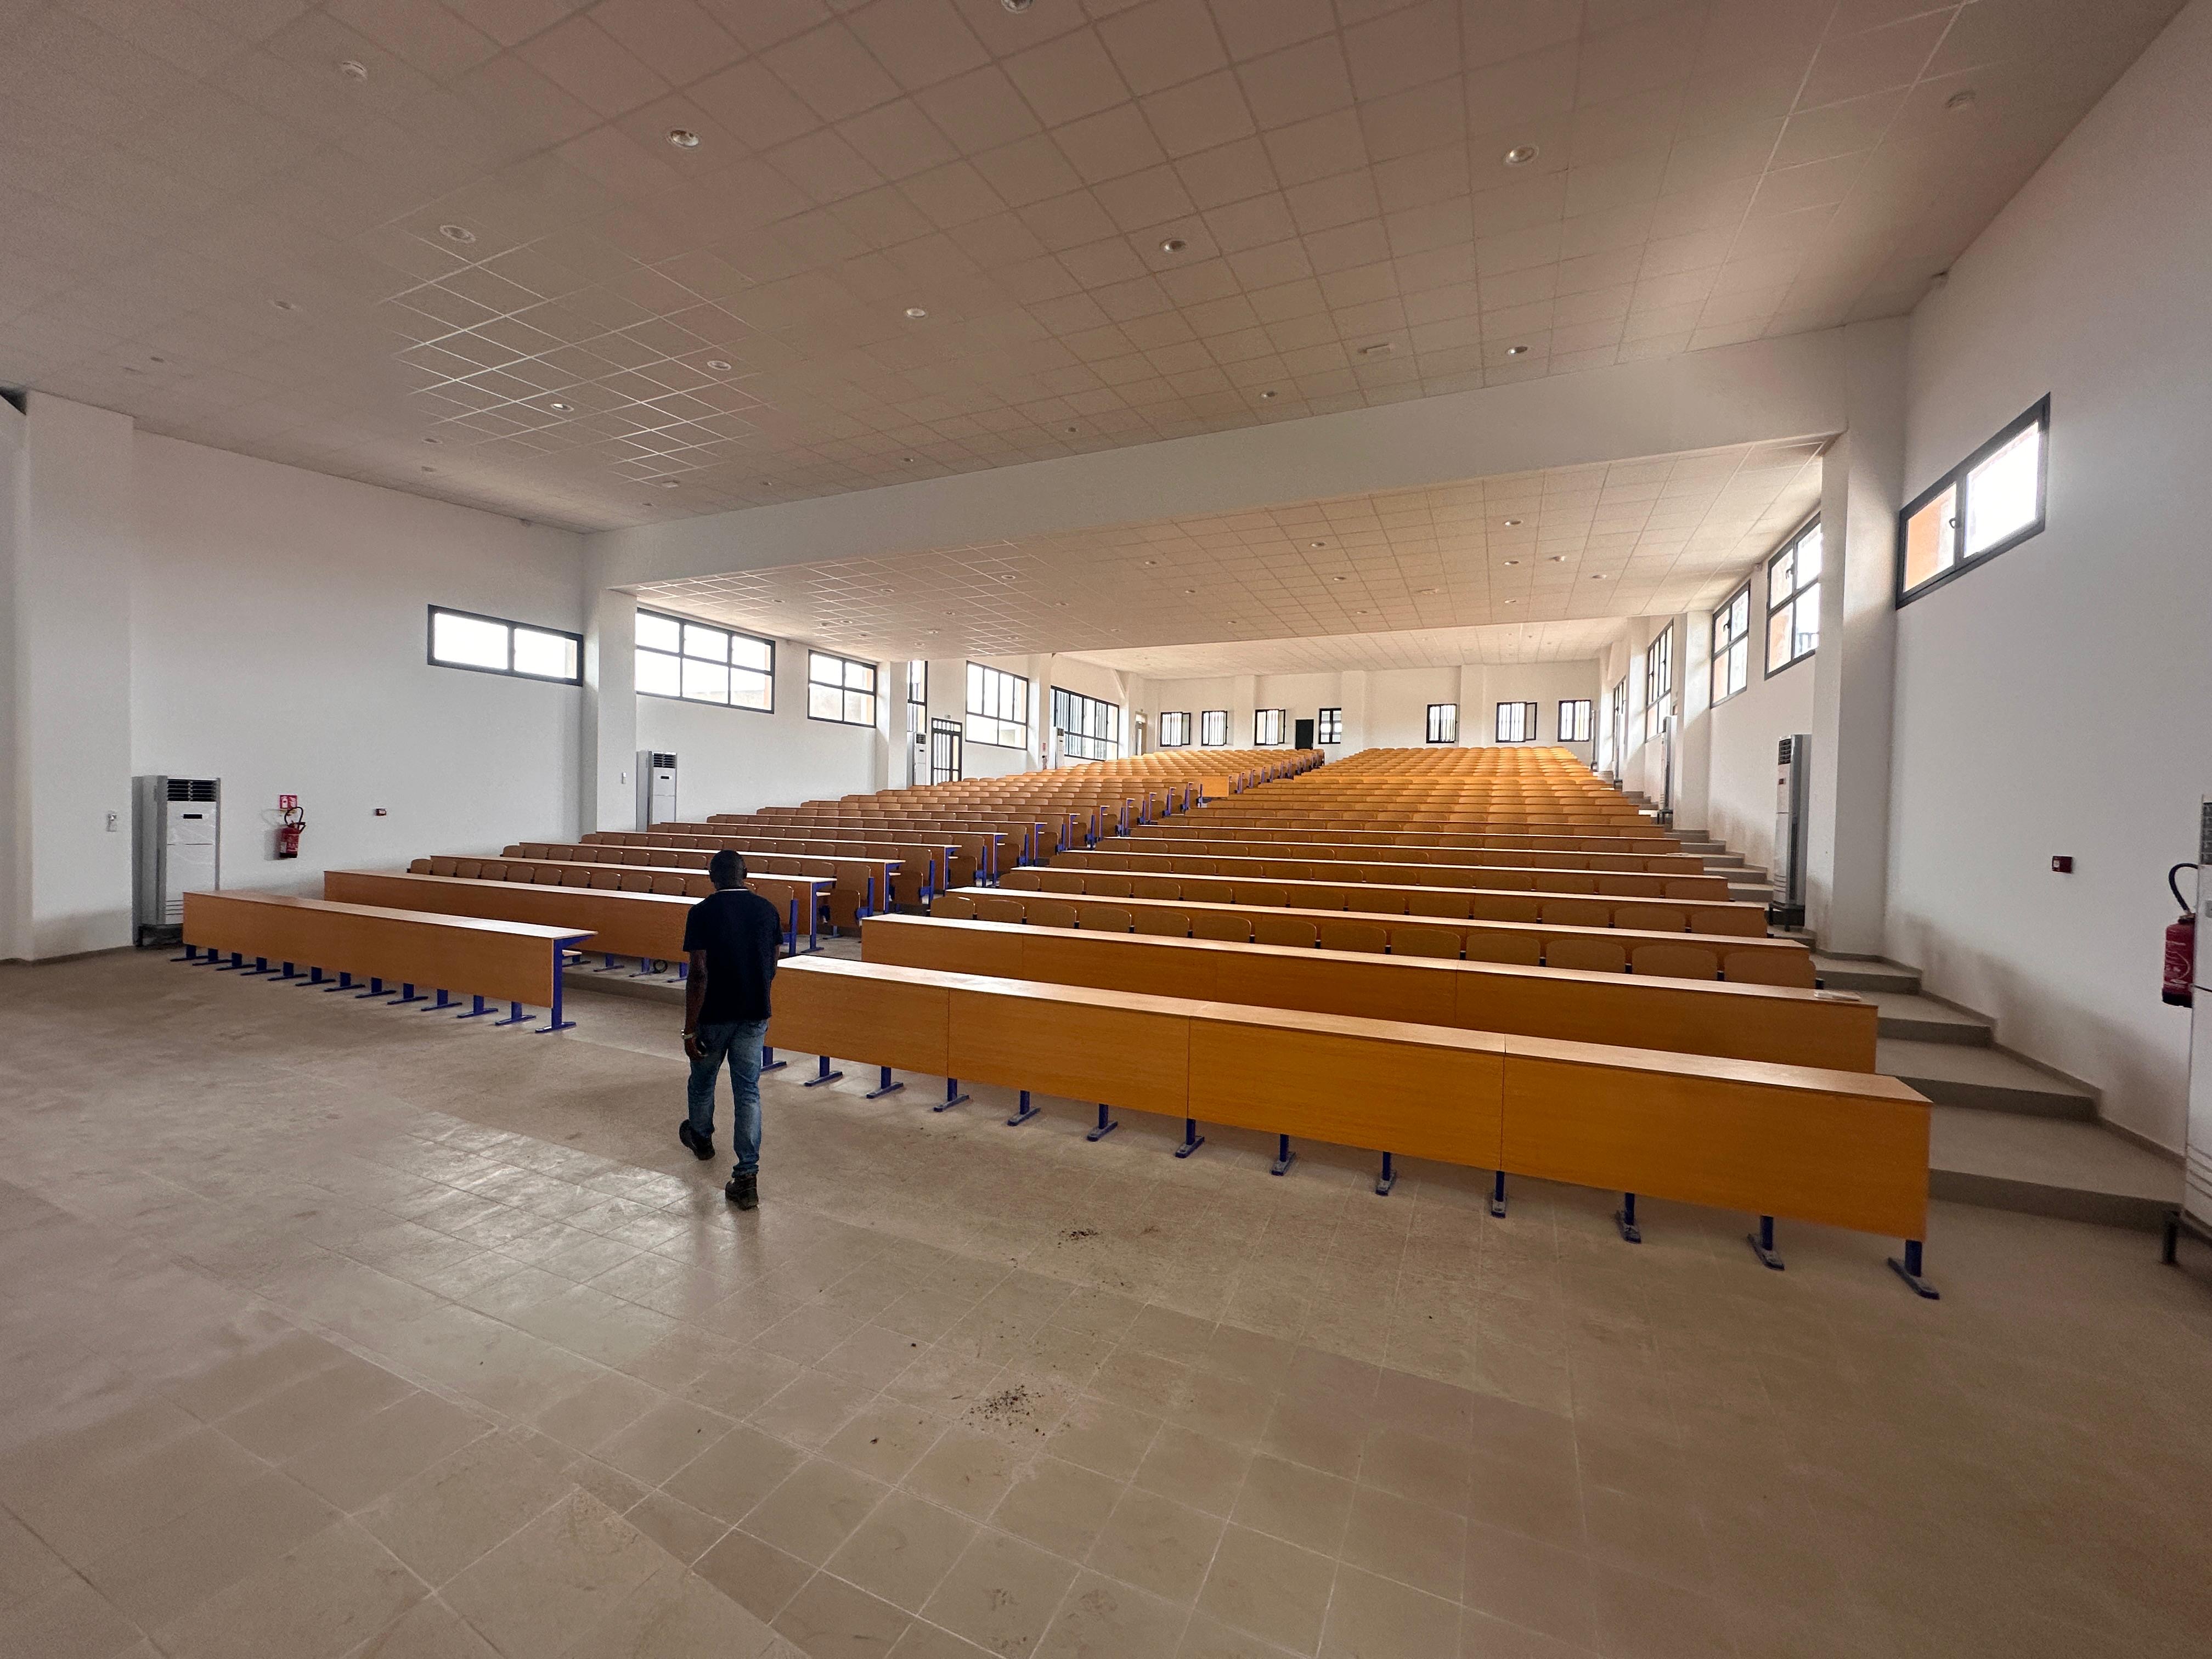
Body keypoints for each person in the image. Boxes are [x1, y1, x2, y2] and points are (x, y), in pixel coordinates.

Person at [679, 849, 782, 1208]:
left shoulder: (702, 913)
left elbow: (699, 973)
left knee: (703, 1080)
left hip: (714, 1014)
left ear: (712, 878)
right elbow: (772, 964)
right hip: (755, 1012)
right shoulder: (767, 910)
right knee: (748, 1091)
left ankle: (702, 1138)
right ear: (746, 873)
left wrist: (690, 1029)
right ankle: (747, 1177)